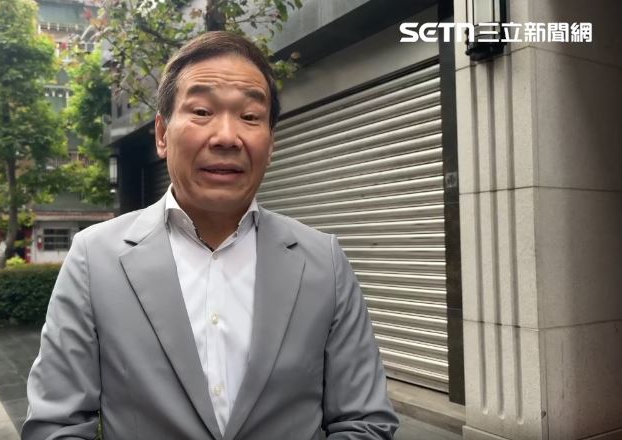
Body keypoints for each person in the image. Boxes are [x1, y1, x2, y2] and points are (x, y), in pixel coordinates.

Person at [23, 31, 398, 440]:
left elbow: (366, 421)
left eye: (250, 117)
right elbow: (55, 426)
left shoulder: (323, 261)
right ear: (162, 134)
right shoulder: (95, 258)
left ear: (271, 143)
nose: (226, 137)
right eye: (202, 111)